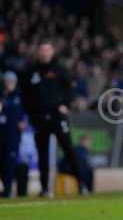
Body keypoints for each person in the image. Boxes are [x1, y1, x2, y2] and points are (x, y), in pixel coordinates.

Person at [20, 40, 80, 197]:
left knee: (68, 150)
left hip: (58, 116)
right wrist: (30, 113)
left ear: (52, 52)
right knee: (42, 154)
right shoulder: (31, 71)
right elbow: (25, 94)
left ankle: (83, 184)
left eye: (47, 50)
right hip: (39, 118)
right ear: (38, 52)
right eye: (42, 50)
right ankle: (45, 188)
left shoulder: (60, 69)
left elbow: (71, 89)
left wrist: (66, 105)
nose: (45, 53)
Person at [0, 71, 26, 198]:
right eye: (7, 81)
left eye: (12, 81)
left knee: (9, 164)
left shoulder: (19, 96)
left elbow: (25, 114)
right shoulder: (2, 96)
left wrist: (24, 122)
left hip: (13, 136)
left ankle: (7, 191)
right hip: (1, 133)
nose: (9, 83)